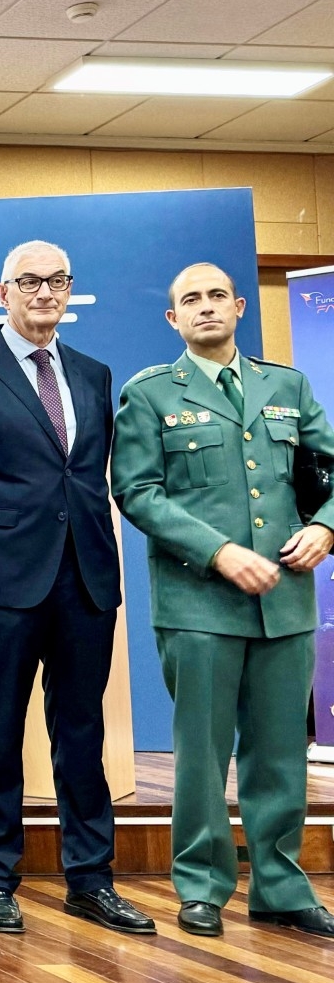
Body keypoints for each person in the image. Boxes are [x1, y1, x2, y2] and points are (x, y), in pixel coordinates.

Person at [0, 241, 152, 937]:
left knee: (83, 733)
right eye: (30, 281)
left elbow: (86, 474)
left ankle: (91, 880)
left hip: (85, 578)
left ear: (69, 289)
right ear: (3, 292)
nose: (44, 292)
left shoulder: (93, 372)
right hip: (0, 583)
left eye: (56, 280)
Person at [112, 263, 334, 940]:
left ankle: (281, 887)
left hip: (284, 600)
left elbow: (328, 473)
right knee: (202, 756)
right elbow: (137, 491)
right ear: (173, 319)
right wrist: (218, 551)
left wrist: (326, 527)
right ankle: (202, 886)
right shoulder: (150, 393)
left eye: (216, 296)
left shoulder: (287, 386)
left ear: (239, 307)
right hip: (198, 602)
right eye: (191, 300)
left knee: (279, 754)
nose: (205, 307)